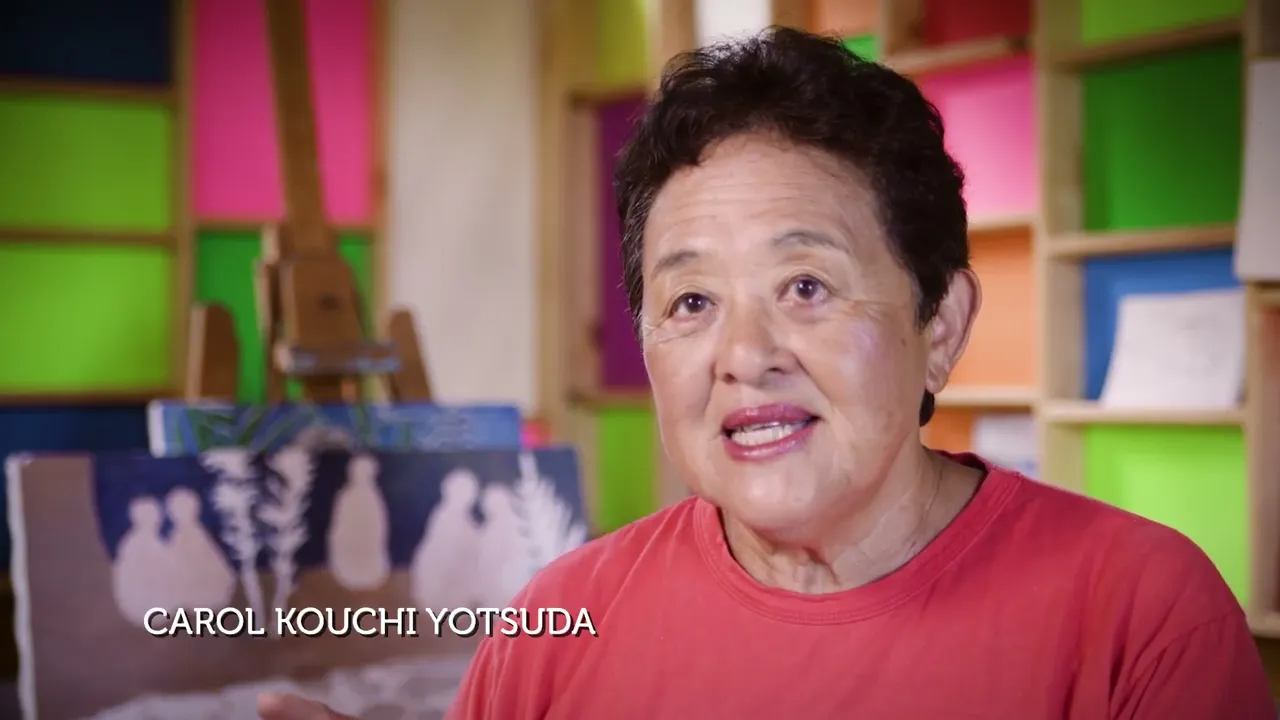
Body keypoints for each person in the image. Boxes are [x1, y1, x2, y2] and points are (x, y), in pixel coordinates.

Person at [258, 26, 1275, 720]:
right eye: (691, 303)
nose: (744, 356)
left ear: (940, 323)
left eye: (805, 287)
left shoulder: (1140, 616)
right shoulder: (554, 628)